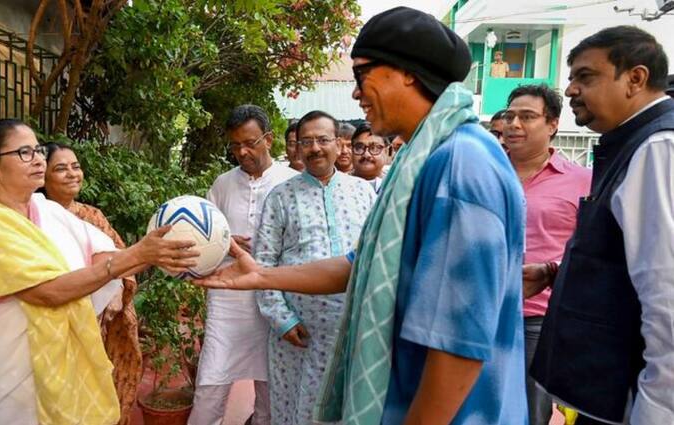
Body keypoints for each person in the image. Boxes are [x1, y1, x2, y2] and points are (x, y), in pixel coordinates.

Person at [197, 7, 527, 425]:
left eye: (361, 76)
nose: (355, 94)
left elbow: (457, 344)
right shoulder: (419, 160)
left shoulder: (460, 165)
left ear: (405, 72)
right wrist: (261, 276)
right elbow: (360, 267)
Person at [0, 119, 198, 425]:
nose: (37, 159)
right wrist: (137, 255)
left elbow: (105, 259)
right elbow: (48, 291)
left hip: (62, 371)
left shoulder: (47, 210)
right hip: (5, 385)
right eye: (23, 152)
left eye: (38, 150)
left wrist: (169, 249)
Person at [529, 26, 674, 425]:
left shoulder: (656, 150)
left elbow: (666, 295)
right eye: (571, 77)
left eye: (585, 76)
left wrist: (657, 411)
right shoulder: (629, 145)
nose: (571, 89)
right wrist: (556, 273)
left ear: (636, 79)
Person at [255, 110, 376, 424]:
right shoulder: (280, 197)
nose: (315, 148)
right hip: (299, 335)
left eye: (323, 140)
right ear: (296, 149)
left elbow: (377, 257)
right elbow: (263, 264)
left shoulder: (363, 192)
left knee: (350, 409)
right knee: (297, 410)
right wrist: (282, 320)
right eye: (306, 141)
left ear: (338, 144)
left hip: (352, 330)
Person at [188, 105, 298, 425]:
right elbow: (203, 236)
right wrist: (226, 243)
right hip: (228, 301)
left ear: (269, 139)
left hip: (274, 299)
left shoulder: (291, 182)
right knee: (211, 383)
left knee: (271, 388)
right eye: (235, 145)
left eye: (249, 143)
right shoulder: (222, 184)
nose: (242, 152)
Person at [502, 84, 591, 425]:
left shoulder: (582, 181)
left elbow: (588, 251)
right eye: (510, 116)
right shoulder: (485, 172)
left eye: (526, 117)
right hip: (481, 311)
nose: (514, 125)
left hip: (538, 321)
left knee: (529, 414)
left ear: (552, 124)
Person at [43, 142, 143, 425]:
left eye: (75, 166)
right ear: (43, 176)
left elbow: (124, 258)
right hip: (59, 324)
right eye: (61, 168)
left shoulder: (92, 215)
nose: (72, 174)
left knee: (108, 388)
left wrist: (117, 294)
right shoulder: (34, 219)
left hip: (104, 324)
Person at [350, 121, 389, 193]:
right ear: (351, 151)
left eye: (374, 148)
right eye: (359, 148)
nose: (366, 155)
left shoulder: (393, 182)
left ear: (386, 152)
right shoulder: (340, 184)